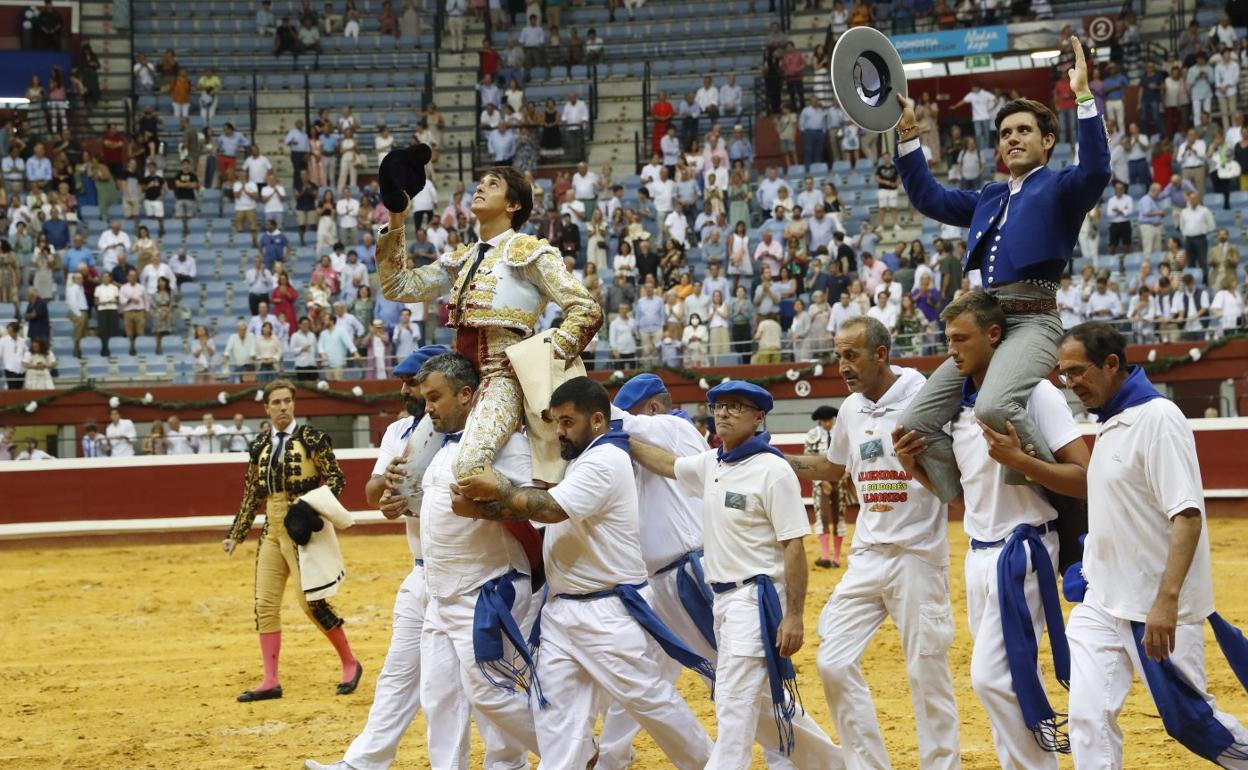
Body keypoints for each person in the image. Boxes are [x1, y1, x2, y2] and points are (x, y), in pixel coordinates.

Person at [451, 377, 715, 769]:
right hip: (563, 611)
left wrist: (496, 492)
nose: (559, 431)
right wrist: (485, 508)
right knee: (556, 715)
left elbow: (550, 509)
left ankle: (712, 763)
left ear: (596, 419)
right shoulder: (584, 459)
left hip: (608, 610)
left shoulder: (605, 459)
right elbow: (545, 508)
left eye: (567, 422)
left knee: (653, 704)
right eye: (556, 422)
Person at [892, 36, 1110, 504]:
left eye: (1024, 131)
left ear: (1048, 140)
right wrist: (907, 133)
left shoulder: (1062, 186)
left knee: (993, 405)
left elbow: (1095, 171)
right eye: (1006, 133)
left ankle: (1058, 493)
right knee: (913, 424)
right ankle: (965, 496)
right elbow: (929, 197)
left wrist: (1084, 97)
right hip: (986, 324)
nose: (1012, 138)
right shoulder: (990, 196)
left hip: (1033, 319)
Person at [895, 293, 1090, 768]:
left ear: (994, 335)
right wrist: (915, 469)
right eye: (948, 341)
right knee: (1005, 678)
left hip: (1024, 550)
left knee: (993, 679)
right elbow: (966, 499)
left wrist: (1021, 460)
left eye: (962, 339)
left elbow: (1084, 477)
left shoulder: (1034, 394)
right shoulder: (959, 409)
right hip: (978, 554)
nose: (953, 350)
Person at [303, 345, 510, 770]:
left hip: (471, 573)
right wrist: (389, 487)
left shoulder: (474, 432)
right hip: (423, 572)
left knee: (480, 685)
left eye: (414, 384)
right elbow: (373, 494)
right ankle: (364, 762)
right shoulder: (400, 432)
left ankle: (515, 761)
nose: (406, 390)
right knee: (404, 676)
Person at [1057, 322, 1248, 769]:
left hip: (1156, 605)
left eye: (1077, 372)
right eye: (1063, 375)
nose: (1071, 384)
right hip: (1104, 600)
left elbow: (1186, 516)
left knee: (1192, 723)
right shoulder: (1108, 421)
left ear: (1111, 364)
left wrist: (1165, 601)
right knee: (1086, 715)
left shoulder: (1158, 418)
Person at [627, 380, 844, 769]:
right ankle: (835, 765)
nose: (724, 413)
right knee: (758, 702)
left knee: (733, 704)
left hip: (755, 597)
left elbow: (794, 546)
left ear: (758, 417)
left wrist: (794, 616)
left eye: (736, 407)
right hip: (722, 598)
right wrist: (618, 438)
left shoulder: (774, 470)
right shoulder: (712, 463)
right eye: (719, 406)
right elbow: (665, 465)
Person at [782, 317, 959, 770]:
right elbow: (834, 467)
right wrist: (777, 460)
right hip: (867, 554)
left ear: (881, 354)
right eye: (838, 355)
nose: (841, 365)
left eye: (850, 355)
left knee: (927, 672)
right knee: (833, 661)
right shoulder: (849, 409)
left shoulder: (925, 396)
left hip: (917, 555)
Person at [599, 374, 797, 769]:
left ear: (652, 409)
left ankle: (790, 755)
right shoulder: (678, 451)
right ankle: (611, 756)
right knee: (641, 673)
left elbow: (609, 417)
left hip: (690, 576)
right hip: (658, 584)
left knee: (734, 680)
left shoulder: (671, 427)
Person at [377, 162, 601, 483]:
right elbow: (399, 285)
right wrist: (397, 215)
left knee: (469, 467)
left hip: (501, 377)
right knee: (407, 479)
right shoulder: (463, 258)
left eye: (492, 184)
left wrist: (545, 359)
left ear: (513, 205)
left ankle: (535, 529)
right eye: (479, 183)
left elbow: (586, 309)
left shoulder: (529, 252)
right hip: (458, 379)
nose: (479, 188)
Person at [222, 379, 363, 703]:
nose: (283, 406)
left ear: (293, 404)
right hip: (271, 531)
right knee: (265, 605)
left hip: (301, 531)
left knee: (310, 602)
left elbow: (337, 478)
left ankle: (350, 663)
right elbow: (251, 493)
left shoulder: (312, 438)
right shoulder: (259, 445)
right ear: (267, 408)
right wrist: (236, 534)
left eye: (288, 401)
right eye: (277, 402)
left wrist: (311, 506)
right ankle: (270, 680)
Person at [802, 405, 846, 569]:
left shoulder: (840, 434)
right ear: (820, 421)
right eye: (825, 421)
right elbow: (809, 460)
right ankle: (826, 556)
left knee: (839, 516)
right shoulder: (812, 435)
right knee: (823, 517)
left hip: (839, 479)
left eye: (830, 420)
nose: (828, 424)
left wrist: (845, 475)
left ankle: (836, 558)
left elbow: (847, 456)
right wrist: (822, 481)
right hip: (820, 482)